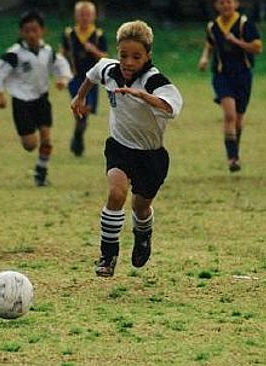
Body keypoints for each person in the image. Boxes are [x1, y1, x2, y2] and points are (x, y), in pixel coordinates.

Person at [71, 20, 183, 277]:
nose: (129, 62)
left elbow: (172, 106)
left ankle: (143, 235)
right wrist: (80, 96)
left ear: (147, 56)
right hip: (120, 147)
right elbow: (93, 73)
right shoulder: (109, 69)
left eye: (136, 56)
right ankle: (107, 256)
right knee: (116, 194)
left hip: (151, 155)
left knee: (140, 207)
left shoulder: (154, 80)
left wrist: (145, 97)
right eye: (124, 55)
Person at [0, 10, 73, 186]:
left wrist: (63, 79)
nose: (31, 34)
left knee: (47, 138)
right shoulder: (15, 54)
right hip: (21, 101)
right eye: (27, 31)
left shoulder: (47, 51)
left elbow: (61, 65)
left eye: (35, 30)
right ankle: (35, 158)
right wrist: (0, 94)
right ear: (21, 32)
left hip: (41, 99)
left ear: (42, 31)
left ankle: (41, 172)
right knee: (30, 145)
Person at [198, 0, 262, 172]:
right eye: (221, 2)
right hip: (222, 75)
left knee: (238, 121)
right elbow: (210, 44)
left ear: (236, 4)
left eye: (229, 2)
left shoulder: (244, 23)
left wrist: (237, 42)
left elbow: (257, 48)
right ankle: (232, 159)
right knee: (229, 115)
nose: (225, 5)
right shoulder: (213, 26)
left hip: (243, 76)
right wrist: (204, 58)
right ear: (216, 6)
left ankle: (235, 152)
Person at [60, 1, 108, 157]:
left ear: (93, 16)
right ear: (76, 16)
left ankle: (78, 135)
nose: (84, 18)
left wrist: (94, 50)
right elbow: (61, 54)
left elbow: (105, 57)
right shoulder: (69, 34)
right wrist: (61, 74)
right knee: (80, 107)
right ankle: (78, 136)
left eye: (88, 15)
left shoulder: (98, 35)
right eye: (81, 14)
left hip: (92, 80)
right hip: (75, 78)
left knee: (85, 111)